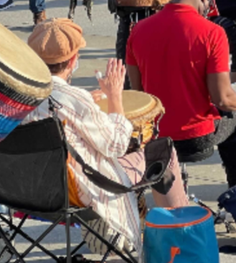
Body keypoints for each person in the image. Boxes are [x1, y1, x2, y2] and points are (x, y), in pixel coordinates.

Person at [23, 21, 189, 256]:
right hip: (76, 192)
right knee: (163, 152)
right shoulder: (73, 100)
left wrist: (84, 102)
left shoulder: (20, 97)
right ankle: (181, 240)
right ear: (73, 61)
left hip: (29, 192)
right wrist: (114, 96)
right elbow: (116, 144)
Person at [127, 0, 236, 186]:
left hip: (155, 136)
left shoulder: (137, 30)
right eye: (207, 8)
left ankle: (167, 191)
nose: (205, 13)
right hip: (195, 138)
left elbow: (138, 94)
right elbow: (223, 100)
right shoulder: (213, 32)